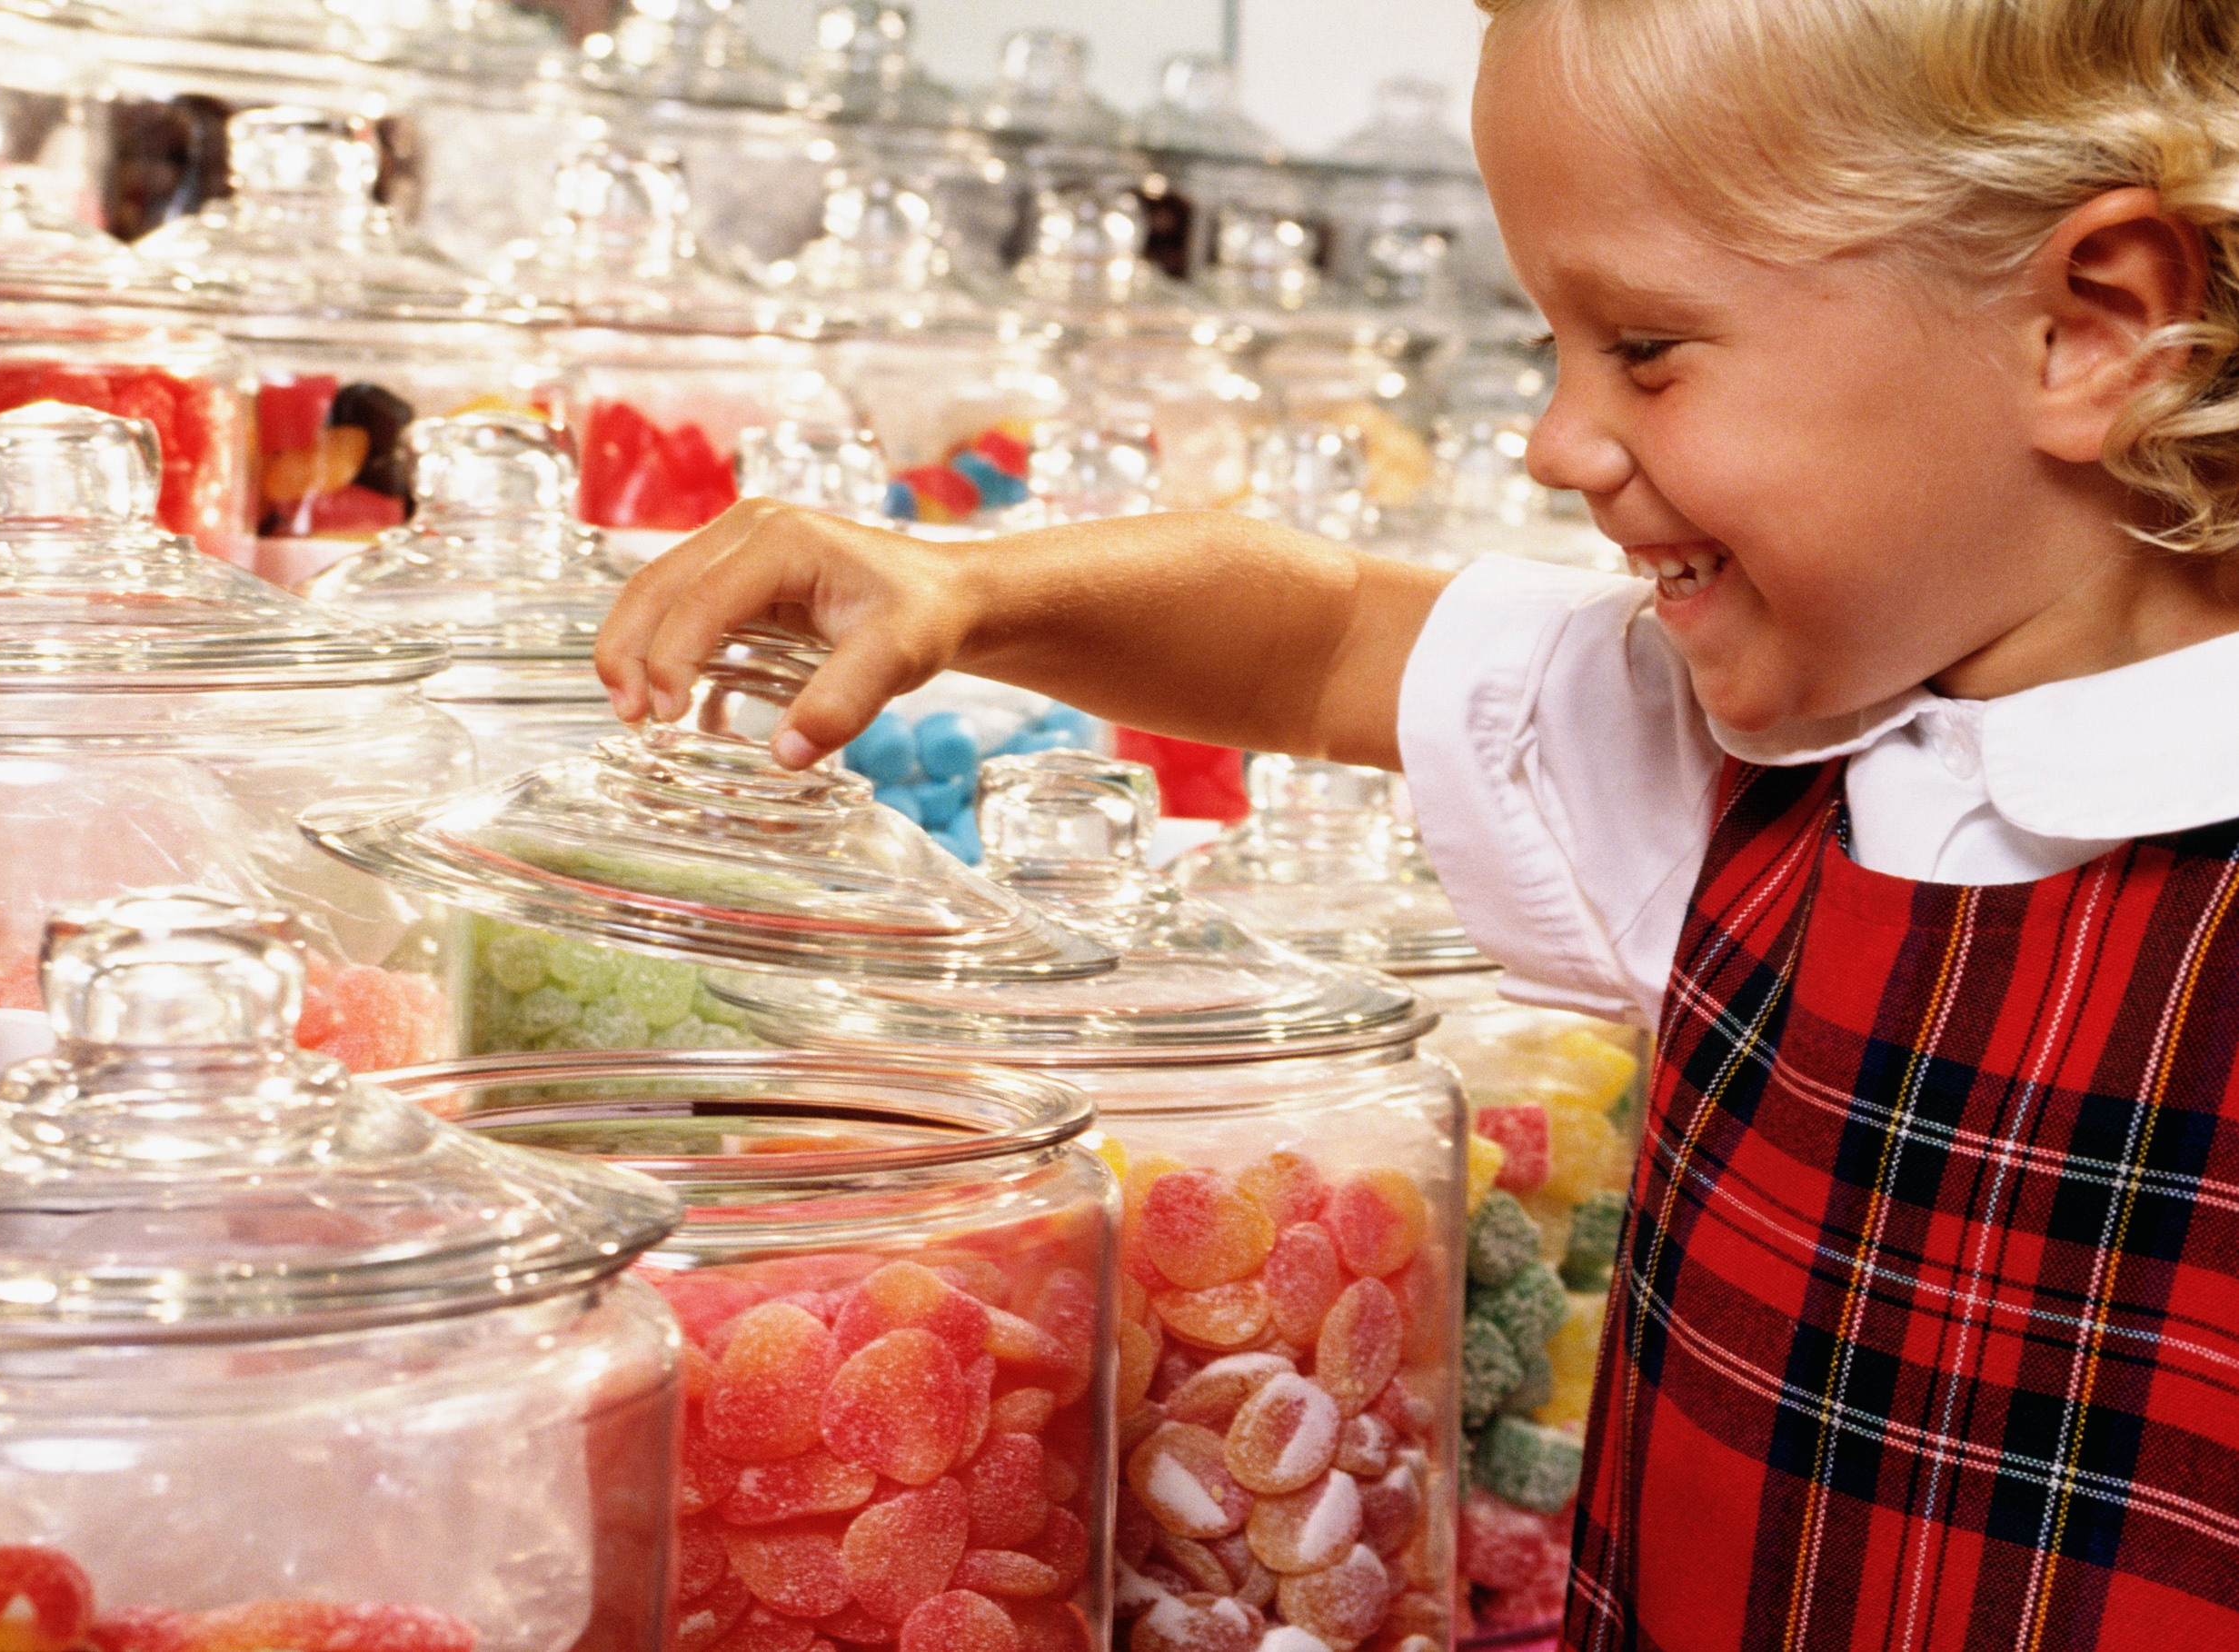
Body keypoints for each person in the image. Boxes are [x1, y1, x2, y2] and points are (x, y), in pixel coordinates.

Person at [596, 0, 2239, 1644]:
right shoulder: (1762, 754)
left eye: (1646, 348)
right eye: (1548, 349)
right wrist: (954, 587)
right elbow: (1318, 637)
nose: (1556, 444)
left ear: (2090, 329)